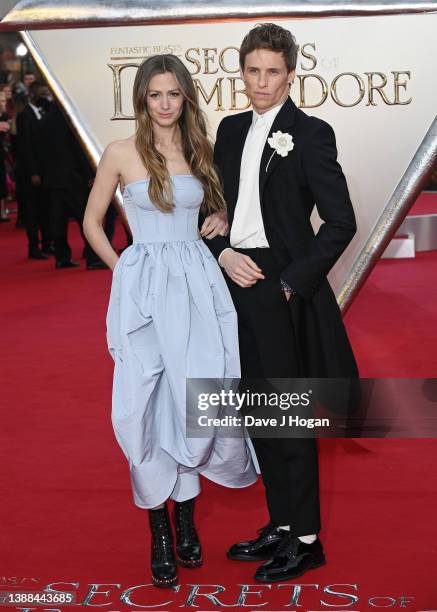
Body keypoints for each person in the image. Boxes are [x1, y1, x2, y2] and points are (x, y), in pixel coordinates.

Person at [83, 53, 256, 588]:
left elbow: (219, 210)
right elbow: (91, 223)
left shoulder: (201, 149)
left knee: (195, 399)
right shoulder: (119, 152)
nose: (164, 104)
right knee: (143, 405)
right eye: (155, 94)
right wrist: (124, 271)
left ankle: (186, 521)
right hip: (144, 294)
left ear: (185, 98)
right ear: (142, 98)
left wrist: (222, 215)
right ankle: (158, 529)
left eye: (173, 94)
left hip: (199, 288)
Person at [205, 23, 359, 583]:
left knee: (287, 414)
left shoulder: (311, 132)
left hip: (280, 285)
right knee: (256, 411)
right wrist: (221, 247)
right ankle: (282, 524)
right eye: (253, 71)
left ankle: (309, 539)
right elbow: (215, 209)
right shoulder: (228, 130)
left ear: (291, 74)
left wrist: (292, 283)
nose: (262, 82)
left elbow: (341, 222)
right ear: (241, 73)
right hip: (233, 280)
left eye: (273, 72)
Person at [15, 80, 52, 258]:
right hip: (31, 174)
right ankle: (33, 248)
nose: (45, 97)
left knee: (46, 210)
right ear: (33, 94)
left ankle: (46, 245)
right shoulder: (24, 115)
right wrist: (33, 173)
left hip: (46, 172)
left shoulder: (45, 112)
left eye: (46, 94)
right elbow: (25, 147)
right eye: (42, 94)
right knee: (32, 212)